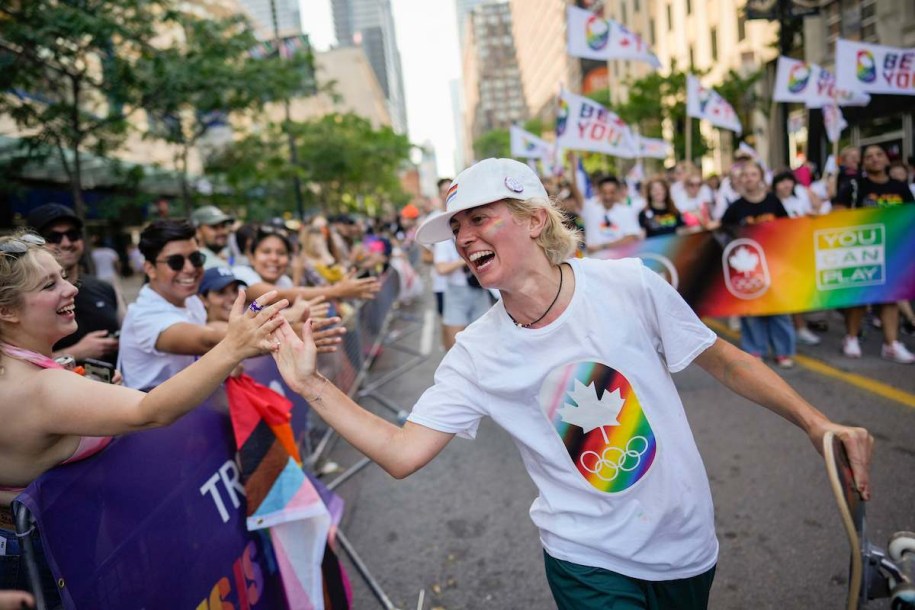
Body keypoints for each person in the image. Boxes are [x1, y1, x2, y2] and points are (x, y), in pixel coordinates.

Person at [267, 158, 873, 610]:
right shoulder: (476, 352)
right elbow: (403, 453)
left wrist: (818, 424)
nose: (464, 237)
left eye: (480, 218)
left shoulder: (628, 285)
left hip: (687, 544)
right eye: (457, 228)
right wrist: (311, 384)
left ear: (534, 219)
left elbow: (727, 362)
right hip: (588, 562)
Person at [0, 230, 287, 600]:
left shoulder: (23, 370)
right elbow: (150, 411)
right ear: (6, 311)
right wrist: (232, 347)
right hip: (35, 561)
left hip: (54, 547)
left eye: (64, 276)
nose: (71, 288)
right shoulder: (38, 388)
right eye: (49, 284)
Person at [833, 144, 915, 363]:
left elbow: (910, 217)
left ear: (887, 160)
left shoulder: (900, 187)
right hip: (863, 251)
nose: (875, 159)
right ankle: (851, 338)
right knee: (861, 296)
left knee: (891, 296)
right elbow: (837, 215)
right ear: (863, 163)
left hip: (893, 250)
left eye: (879, 155)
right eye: (869, 156)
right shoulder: (853, 186)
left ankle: (891, 343)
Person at [721, 162, 797, 369]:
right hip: (748, 267)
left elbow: (789, 228)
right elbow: (723, 231)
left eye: (753, 174)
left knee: (779, 309)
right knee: (751, 309)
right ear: (741, 180)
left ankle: (783, 352)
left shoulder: (774, 203)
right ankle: (755, 349)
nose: (749, 178)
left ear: (761, 177)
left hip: (774, 264)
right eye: (745, 175)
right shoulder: (735, 207)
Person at [26, 203, 121, 367]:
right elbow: (13, 368)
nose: (66, 243)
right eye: (53, 237)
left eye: (73, 235)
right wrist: (76, 353)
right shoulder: (24, 298)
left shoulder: (103, 288)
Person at [581, 175, 642, 254]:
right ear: (598, 192)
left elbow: (631, 238)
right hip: (594, 261)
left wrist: (602, 247)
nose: (608, 196)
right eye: (604, 192)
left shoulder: (626, 211)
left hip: (619, 261)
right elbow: (576, 189)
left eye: (612, 192)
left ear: (618, 192)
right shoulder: (590, 208)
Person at [191, 205, 235, 269]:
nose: (222, 232)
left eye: (223, 226)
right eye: (214, 226)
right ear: (197, 231)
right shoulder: (200, 264)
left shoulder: (224, 256)